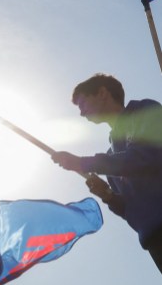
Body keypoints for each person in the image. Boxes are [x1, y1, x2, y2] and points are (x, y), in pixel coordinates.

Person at [51, 73, 162, 273]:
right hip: (155, 240)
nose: (81, 113)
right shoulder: (112, 154)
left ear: (102, 93)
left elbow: (146, 156)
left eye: (82, 103)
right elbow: (131, 209)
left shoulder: (145, 111)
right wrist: (109, 196)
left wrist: (83, 163)